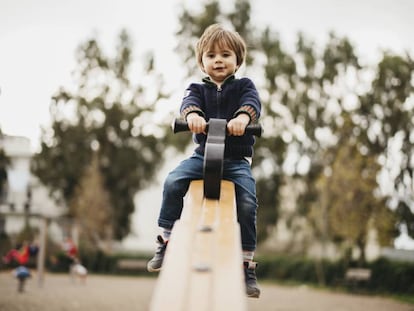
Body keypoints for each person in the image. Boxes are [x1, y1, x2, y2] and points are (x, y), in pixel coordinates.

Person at [146, 23, 261, 298]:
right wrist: (193, 116)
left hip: (235, 160)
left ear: (237, 60)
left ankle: (246, 263)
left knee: (247, 201)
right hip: (203, 155)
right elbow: (188, 104)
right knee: (173, 180)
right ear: (202, 62)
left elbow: (252, 103)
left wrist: (243, 119)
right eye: (211, 56)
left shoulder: (244, 86)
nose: (218, 60)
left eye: (225, 54)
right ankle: (166, 238)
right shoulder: (197, 88)